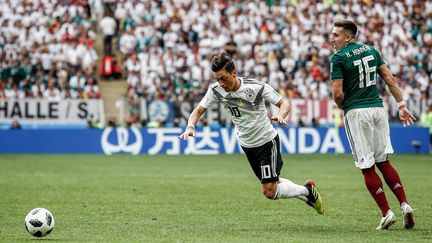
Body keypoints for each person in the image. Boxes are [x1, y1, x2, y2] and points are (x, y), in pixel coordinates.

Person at [178, 52, 324, 215]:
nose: (221, 83)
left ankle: (306, 191)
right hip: (247, 145)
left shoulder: (256, 87)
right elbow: (198, 111)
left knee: (269, 190)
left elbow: (284, 102)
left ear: (234, 72)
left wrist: (281, 115)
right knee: (272, 182)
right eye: (217, 79)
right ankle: (308, 191)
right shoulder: (216, 90)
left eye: (223, 78)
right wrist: (190, 127)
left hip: (266, 141)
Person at [330, 19, 416, 230]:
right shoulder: (372, 50)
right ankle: (405, 204)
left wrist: (345, 106)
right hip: (378, 109)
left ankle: (386, 213)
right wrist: (402, 105)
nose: (332, 39)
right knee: (383, 161)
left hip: (357, 112)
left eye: (336, 35)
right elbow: (388, 77)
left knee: (366, 166)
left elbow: (337, 93)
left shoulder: (338, 58)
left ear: (348, 37)